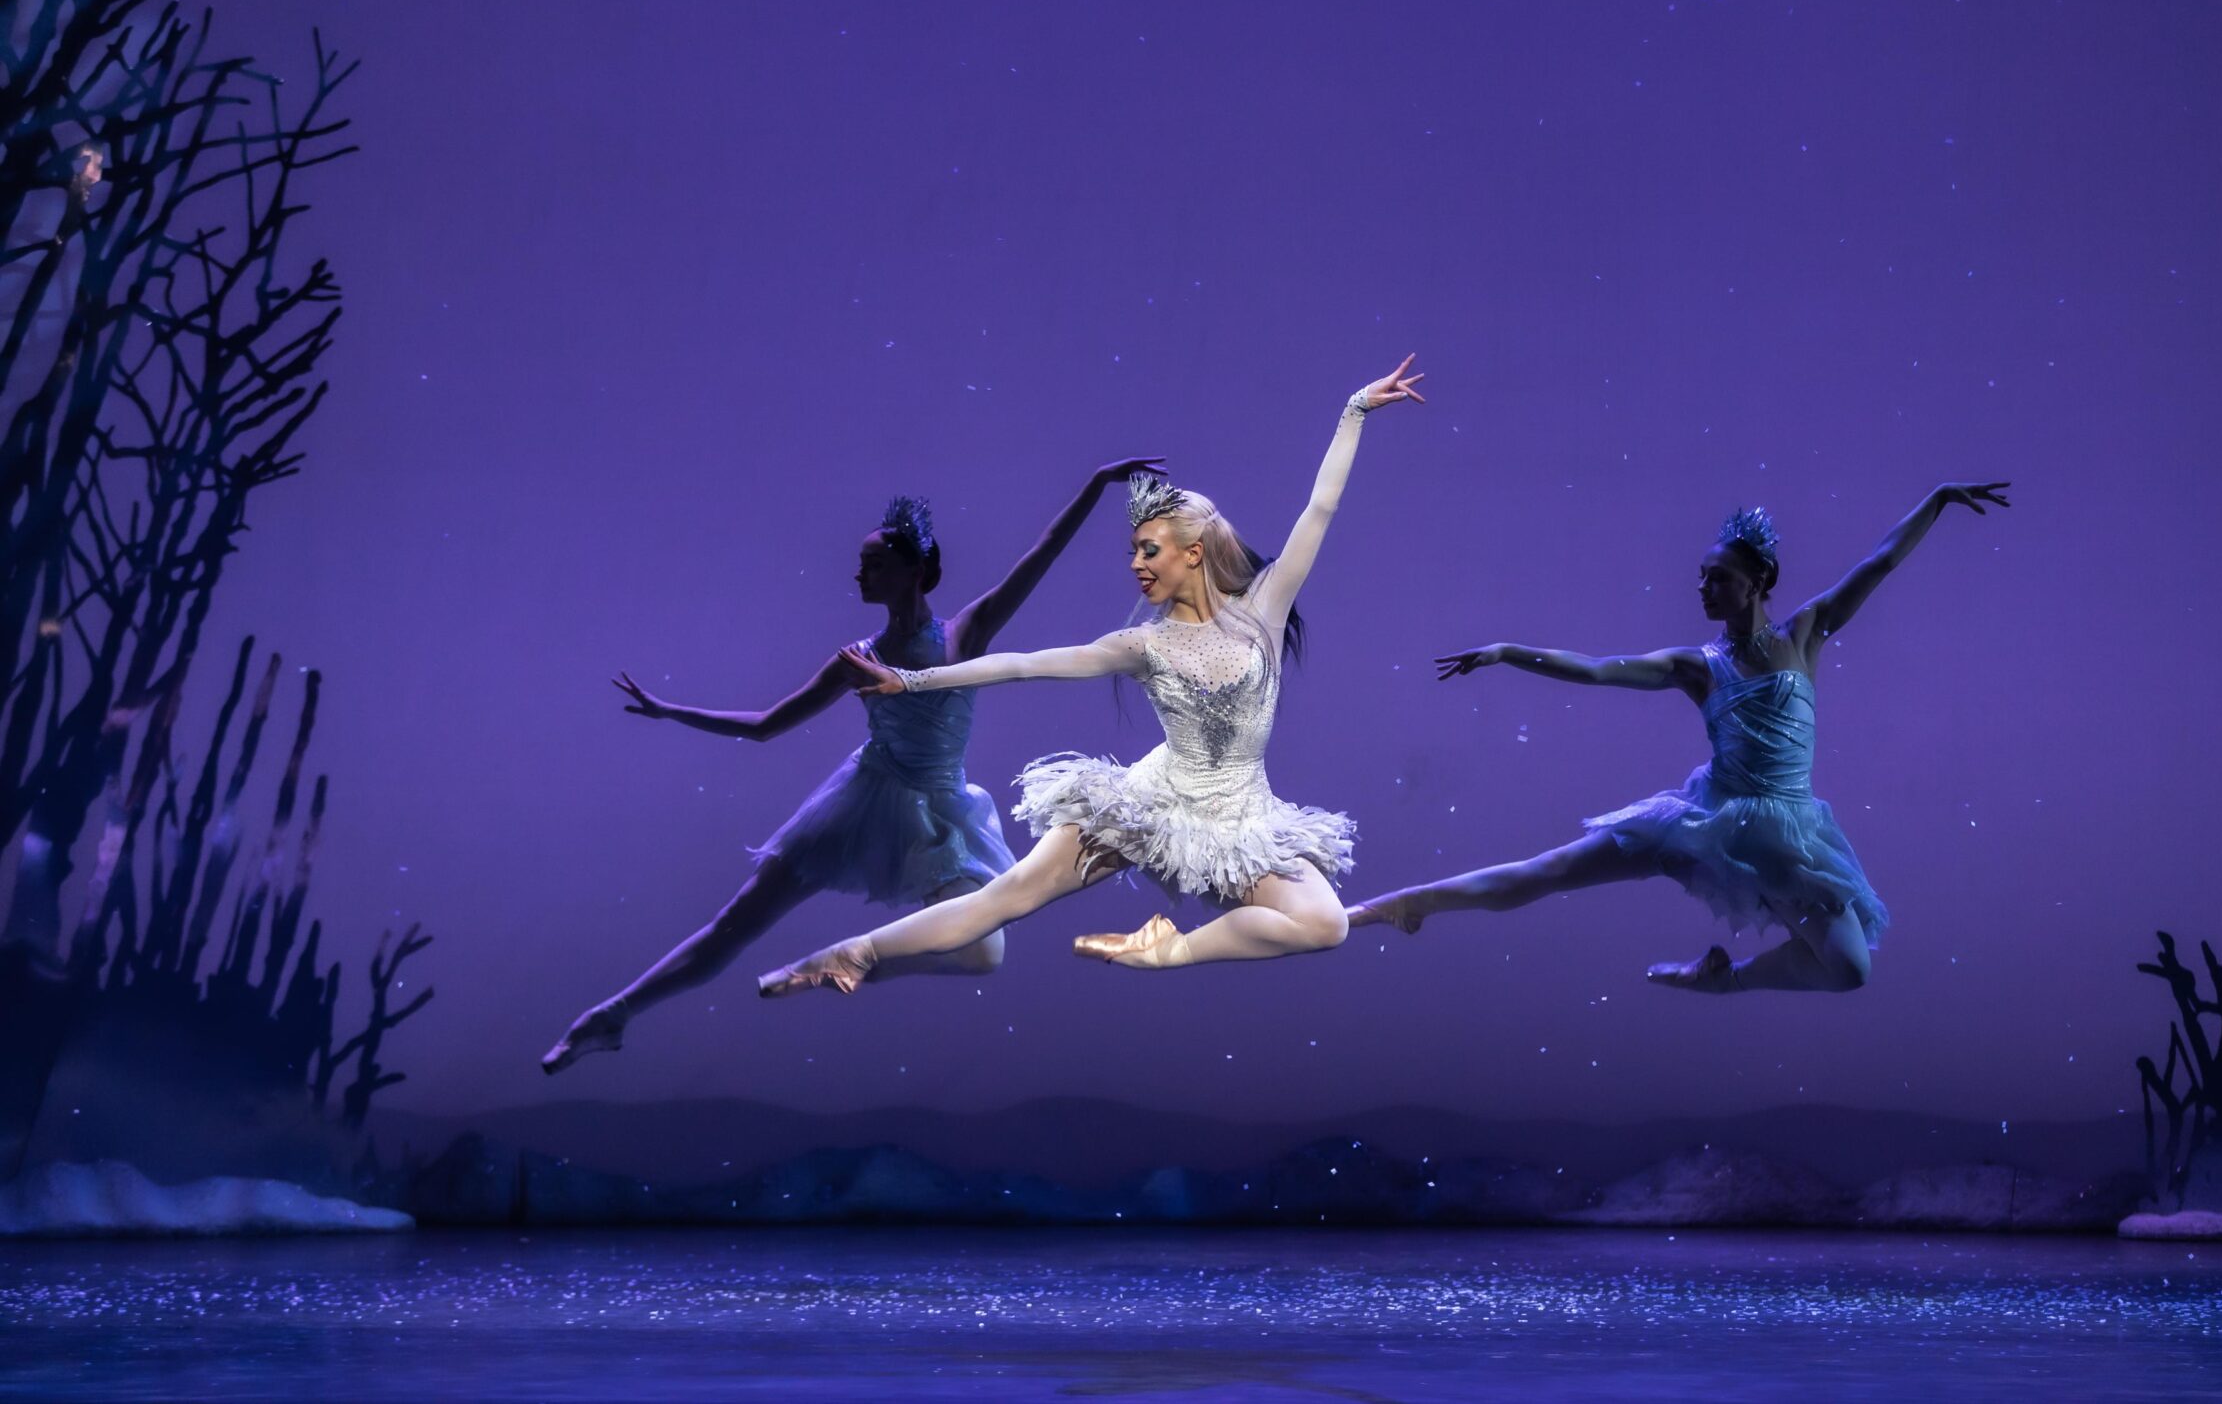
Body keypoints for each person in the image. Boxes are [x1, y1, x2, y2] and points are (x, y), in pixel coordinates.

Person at [754, 357, 1429, 996]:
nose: (1136, 564)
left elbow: (1319, 510)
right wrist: (914, 681)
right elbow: (1024, 665)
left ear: (1193, 554)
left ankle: (1169, 949)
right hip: (1148, 802)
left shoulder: (1265, 610)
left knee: (1324, 922)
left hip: (1241, 818)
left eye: (1149, 550)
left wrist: (1355, 411)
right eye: (1133, 550)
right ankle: (854, 952)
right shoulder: (1144, 643)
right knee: (1009, 895)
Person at [539, 460, 1163, 1072]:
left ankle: (847, 960)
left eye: (875, 564)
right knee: (734, 925)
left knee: (984, 954)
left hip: (940, 810)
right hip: (865, 799)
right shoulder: (856, 658)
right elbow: (764, 726)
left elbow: (1043, 553)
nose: (859, 574)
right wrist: (671, 711)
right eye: (861, 564)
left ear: (914, 571)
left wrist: (1094, 484)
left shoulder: (963, 635)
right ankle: (612, 1014)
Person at [1345, 484, 2010, 994]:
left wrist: (1938, 501)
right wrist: (1507, 651)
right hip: (1707, 819)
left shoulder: (1805, 634)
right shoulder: (1696, 665)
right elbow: (1597, 669)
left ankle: (1724, 980)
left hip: (1791, 833)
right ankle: (1405, 905)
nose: (1703, 587)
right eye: (1701, 577)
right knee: (1550, 871)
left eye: (1717, 577)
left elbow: (1880, 562)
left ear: (1759, 581)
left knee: (1848, 970)